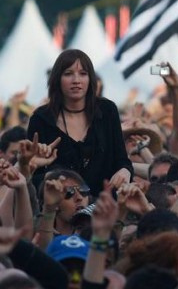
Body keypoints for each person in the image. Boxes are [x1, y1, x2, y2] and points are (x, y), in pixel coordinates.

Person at [27, 49, 133, 197]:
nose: (76, 80)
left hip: (105, 205)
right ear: (57, 79)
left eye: (83, 73)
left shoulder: (107, 111)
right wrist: (52, 180)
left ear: (91, 79)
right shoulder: (41, 119)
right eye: (68, 74)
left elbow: (122, 160)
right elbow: (33, 176)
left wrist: (125, 171)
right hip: (60, 208)